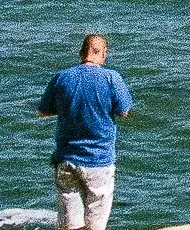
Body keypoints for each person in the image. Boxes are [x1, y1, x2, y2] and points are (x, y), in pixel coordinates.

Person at [35, 34, 135, 230]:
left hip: (66, 159)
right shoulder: (111, 78)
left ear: (81, 53)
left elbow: (43, 111)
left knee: (70, 226)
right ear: (104, 54)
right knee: (95, 225)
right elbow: (124, 111)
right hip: (99, 161)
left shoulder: (62, 77)